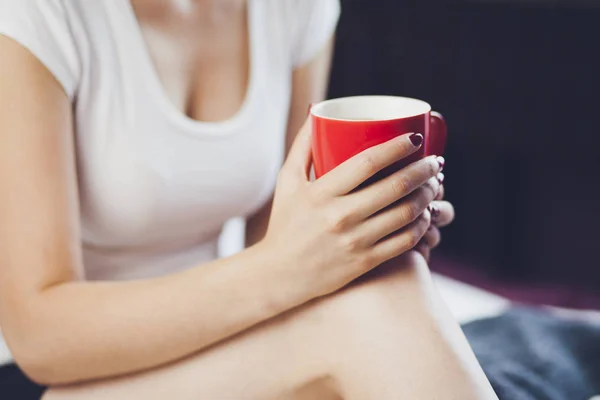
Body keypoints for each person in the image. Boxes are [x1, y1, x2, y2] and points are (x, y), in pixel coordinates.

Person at [0, 0, 498, 398]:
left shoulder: (293, 8)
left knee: (388, 283)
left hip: (221, 337)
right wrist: (284, 268)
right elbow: (38, 339)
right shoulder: (37, 13)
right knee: (372, 314)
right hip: (60, 375)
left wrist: (360, 241)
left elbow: (280, 234)